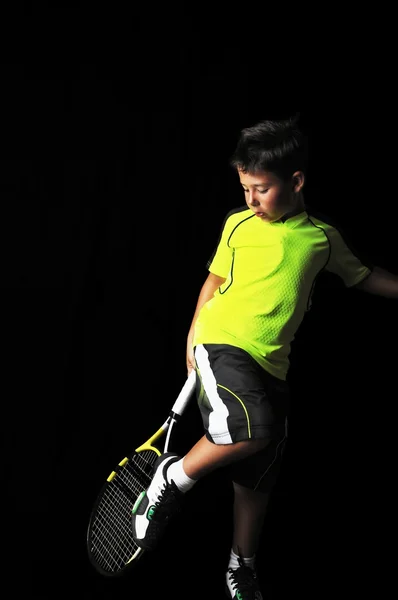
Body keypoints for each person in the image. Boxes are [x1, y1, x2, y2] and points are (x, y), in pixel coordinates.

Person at [131, 115, 398, 599]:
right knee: (254, 429)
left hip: (273, 365)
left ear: (296, 182)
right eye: (245, 188)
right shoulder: (236, 224)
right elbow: (214, 279)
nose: (251, 201)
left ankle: (241, 566)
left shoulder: (321, 238)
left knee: (258, 474)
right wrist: (194, 330)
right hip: (223, 340)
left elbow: (364, 276)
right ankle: (172, 477)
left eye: (261, 189)